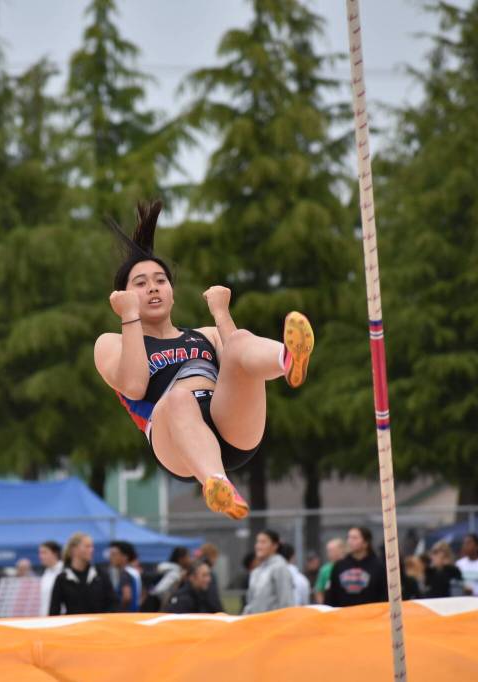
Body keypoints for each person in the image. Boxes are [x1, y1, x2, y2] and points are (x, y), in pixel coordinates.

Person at [93, 201, 315, 520]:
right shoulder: (111, 343)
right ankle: (216, 483)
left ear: (172, 293)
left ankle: (288, 359)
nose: (153, 288)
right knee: (179, 398)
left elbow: (243, 364)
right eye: (140, 284)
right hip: (178, 443)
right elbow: (134, 385)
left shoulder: (205, 334)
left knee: (237, 342)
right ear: (122, 297)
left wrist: (222, 313)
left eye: (160, 280)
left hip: (229, 424)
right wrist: (128, 316)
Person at [48, 533, 116, 615]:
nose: (92, 550)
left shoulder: (100, 574)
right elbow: (54, 611)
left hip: (98, 626)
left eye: (92, 546)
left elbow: (114, 603)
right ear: (74, 549)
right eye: (87, 546)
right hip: (74, 626)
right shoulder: (62, 578)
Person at [324, 527, 387, 607]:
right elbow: (331, 594)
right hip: (344, 616)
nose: (350, 541)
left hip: (371, 616)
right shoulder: (340, 565)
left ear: (366, 542)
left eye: (354, 538)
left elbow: (384, 594)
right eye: (349, 537)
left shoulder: (378, 566)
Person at [242, 530, 295, 614]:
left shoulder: (280, 567)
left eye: (263, 542)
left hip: (273, 624)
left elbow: (286, 603)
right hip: (256, 623)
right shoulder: (256, 571)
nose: (258, 546)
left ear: (275, 546)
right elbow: (251, 603)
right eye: (258, 542)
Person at [108, 541, 140, 612]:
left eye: (114, 554)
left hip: (125, 617)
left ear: (125, 557)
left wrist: (116, 611)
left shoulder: (125, 574)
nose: (110, 557)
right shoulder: (134, 572)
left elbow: (127, 597)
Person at [314, 538, 345, 605]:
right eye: (328, 551)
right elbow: (319, 591)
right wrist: (324, 608)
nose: (329, 553)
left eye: (332, 550)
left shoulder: (348, 567)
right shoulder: (325, 570)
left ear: (341, 550)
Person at [196, 542, 224, 613]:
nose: (216, 560)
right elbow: (213, 598)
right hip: (208, 613)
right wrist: (221, 612)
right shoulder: (209, 574)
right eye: (215, 556)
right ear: (211, 556)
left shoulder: (194, 569)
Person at [38, 540, 63, 617]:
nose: (40, 556)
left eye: (44, 552)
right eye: (40, 553)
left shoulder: (64, 572)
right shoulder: (46, 574)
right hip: (46, 621)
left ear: (55, 553)